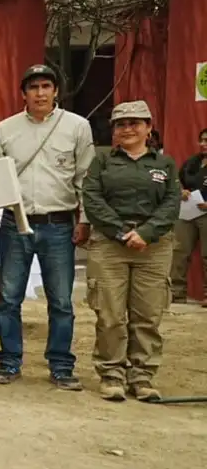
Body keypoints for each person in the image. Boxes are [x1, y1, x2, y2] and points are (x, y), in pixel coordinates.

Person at [0, 64, 95, 390]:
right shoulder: (5, 129)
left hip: (59, 224)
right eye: (33, 87)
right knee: (8, 299)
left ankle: (61, 366)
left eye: (46, 86)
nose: (40, 93)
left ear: (56, 91)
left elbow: (85, 179)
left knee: (61, 300)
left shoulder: (77, 127)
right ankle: (9, 362)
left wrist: (85, 220)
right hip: (14, 224)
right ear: (23, 93)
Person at [82, 101, 180, 401]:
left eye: (135, 123)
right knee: (110, 313)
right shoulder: (103, 162)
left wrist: (147, 233)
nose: (127, 129)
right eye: (121, 124)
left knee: (147, 315)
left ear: (148, 127)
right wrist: (123, 233)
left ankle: (142, 376)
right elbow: (92, 198)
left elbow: (172, 203)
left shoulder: (164, 165)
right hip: (111, 245)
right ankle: (111, 373)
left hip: (154, 247)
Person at [171, 127, 207, 305]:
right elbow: (178, 181)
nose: (203, 144)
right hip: (188, 210)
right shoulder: (193, 162)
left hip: (206, 212)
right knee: (179, 252)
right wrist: (182, 191)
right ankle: (177, 294)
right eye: (202, 140)